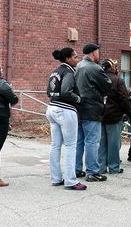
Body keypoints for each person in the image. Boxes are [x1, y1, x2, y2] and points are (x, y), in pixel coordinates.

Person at [45, 48, 87, 190]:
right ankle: (71, 180)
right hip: (65, 110)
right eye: (75, 57)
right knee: (70, 146)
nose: (77, 59)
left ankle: (56, 178)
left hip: (51, 108)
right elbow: (66, 91)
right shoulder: (69, 71)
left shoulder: (55, 71)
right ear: (68, 59)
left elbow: (48, 91)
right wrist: (79, 98)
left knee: (55, 145)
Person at [75, 43, 111, 182]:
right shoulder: (95, 68)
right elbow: (107, 86)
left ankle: (76, 169)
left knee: (79, 141)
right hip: (92, 108)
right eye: (97, 52)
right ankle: (92, 171)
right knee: (92, 141)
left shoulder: (78, 66)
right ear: (93, 53)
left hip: (79, 108)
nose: (98, 55)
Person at [98, 59, 131, 174]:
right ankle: (113, 167)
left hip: (100, 114)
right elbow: (124, 98)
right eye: (116, 66)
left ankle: (101, 167)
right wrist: (127, 112)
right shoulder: (118, 80)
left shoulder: (98, 79)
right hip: (115, 116)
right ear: (112, 68)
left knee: (101, 143)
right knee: (113, 143)